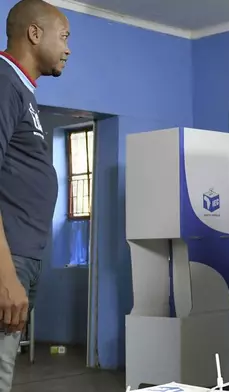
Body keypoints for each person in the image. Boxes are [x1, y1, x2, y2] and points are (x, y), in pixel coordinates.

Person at [0, 0, 71, 389]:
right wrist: (5, 273)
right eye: (63, 36)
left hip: (21, 256)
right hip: (7, 258)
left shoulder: (24, 92)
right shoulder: (3, 81)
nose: (68, 48)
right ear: (34, 33)